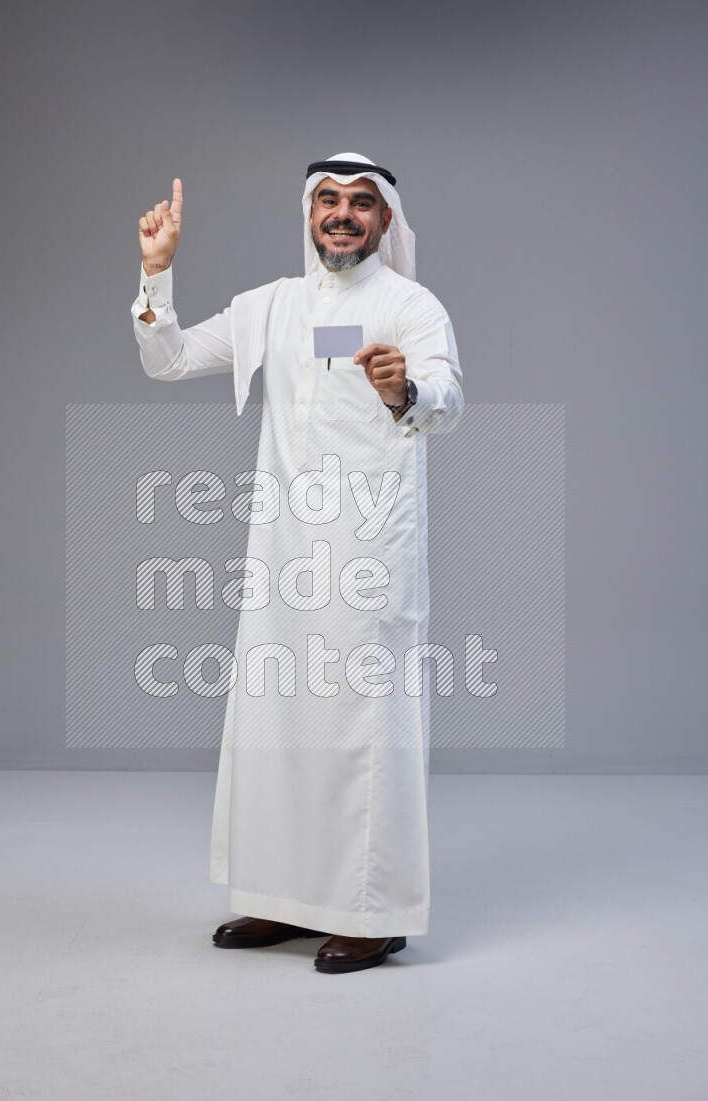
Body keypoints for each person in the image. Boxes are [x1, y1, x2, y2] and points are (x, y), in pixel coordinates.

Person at [131, 153, 464, 973]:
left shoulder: (411, 306)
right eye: (328, 201)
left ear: (385, 220)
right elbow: (166, 358)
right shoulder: (271, 307)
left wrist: (405, 391)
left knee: (364, 729)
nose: (342, 215)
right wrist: (156, 276)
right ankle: (283, 899)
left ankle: (373, 911)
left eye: (360, 203)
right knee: (278, 724)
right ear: (309, 214)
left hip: (368, 557)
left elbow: (449, 398)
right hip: (282, 556)